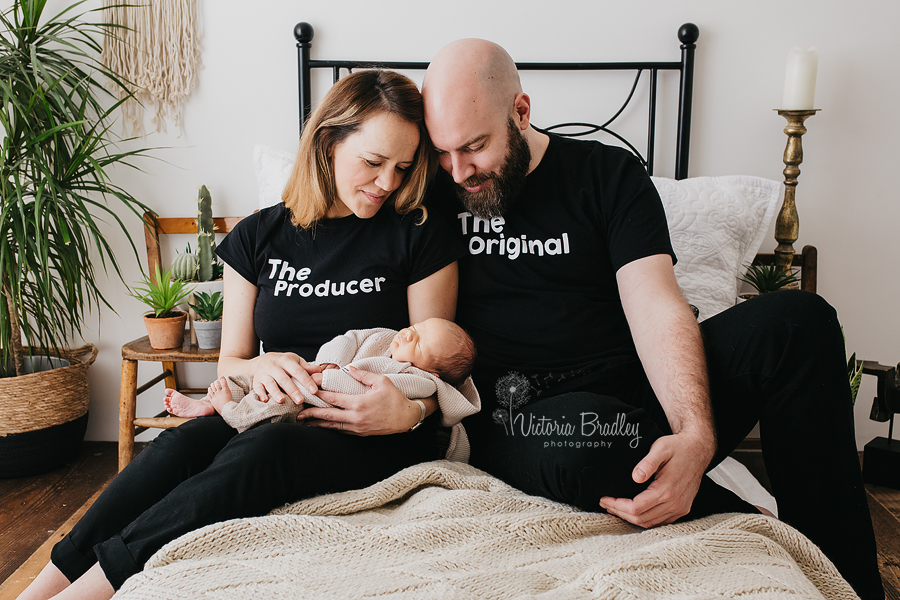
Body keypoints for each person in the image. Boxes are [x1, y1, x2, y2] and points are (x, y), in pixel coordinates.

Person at [409, 39, 881, 599]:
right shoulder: (429, 192)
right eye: (443, 151)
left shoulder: (607, 173)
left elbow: (655, 302)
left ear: (521, 111)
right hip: (524, 412)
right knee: (579, 443)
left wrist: (696, 434)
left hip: (638, 392)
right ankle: (743, 514)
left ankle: (849, 579)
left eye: (475, 146)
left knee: (802, 321)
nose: (459, 171)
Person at [17, 69, 463, 600]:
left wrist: (409, 414)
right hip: (277, 408)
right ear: (327, 142)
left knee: (263, 449)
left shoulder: (418, 230)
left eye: (403, 168)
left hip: (374, 431)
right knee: (180, 444)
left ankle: (92, 590)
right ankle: (41, 588)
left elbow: (432, 361)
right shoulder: (258, 235)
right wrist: (260, 367)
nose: (388, 183)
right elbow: (231, 361)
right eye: (372, 162)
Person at [163, 318, 480, 461]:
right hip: (314, 370)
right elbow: (350, 337)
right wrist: (327, 362)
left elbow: (362, 389)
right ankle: (207, 403)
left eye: (421, 342)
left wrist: (326, 378)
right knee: (256, 376)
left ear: (431, 370)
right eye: (419, 327)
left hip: (317, 400)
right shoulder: (386, 338)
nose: (410, 333)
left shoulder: (417, 379)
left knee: (276, 406)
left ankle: (228, 410)